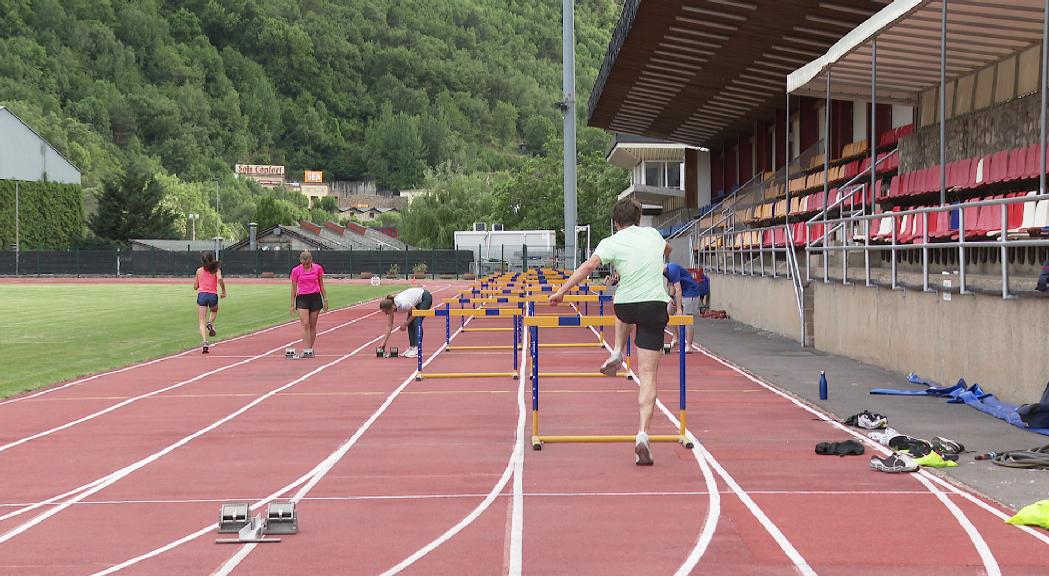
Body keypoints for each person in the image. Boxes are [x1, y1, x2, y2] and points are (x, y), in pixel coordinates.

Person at [550, 198, 671, 466]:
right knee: (648, 374)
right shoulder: (653, 234)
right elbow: (668, 248)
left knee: (625, 307)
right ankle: (642, 434)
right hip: (654, 303)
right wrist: (662, 261)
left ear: (616, 223)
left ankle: (617, 349)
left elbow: (588, 267)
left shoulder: (610, 242)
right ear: (638, 219)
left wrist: (561, 291)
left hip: (625, 306)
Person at [289, 250, 328, 359]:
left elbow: (321, 284)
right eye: (304, 263)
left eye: (308, 263)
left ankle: (309, 350)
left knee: (312, 325)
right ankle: (306, 349)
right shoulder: (296, 271)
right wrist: (292, 304)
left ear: (311, 260)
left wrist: (325, 299)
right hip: (302, 298)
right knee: (305, 324)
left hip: (315, 297)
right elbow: (293, 288)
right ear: (301, 261)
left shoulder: (318, 268)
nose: (306, 265)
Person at [379, 287, 433, 358]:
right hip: (415, 302)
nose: (386, 314)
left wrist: (405, 323)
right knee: (410, 322)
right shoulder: (391, 308)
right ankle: (412, 347)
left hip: (425, 297)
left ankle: (417, 349)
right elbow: (389, 326)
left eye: (386, 312)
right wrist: (384, 342)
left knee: (417, 321)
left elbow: (415, 313)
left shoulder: (403, 304)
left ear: (392, 307)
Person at [664, 263, 702, 353]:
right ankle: (676, 337)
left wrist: (679, 309)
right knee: (667, 313)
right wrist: (670, 298)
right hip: (681, 292)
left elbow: (678, 289)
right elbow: (671, 285)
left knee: (687, 318)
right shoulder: (665, 272)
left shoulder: (672, 270)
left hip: (690, 292)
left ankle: (689, 346)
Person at [194, 252, 226, 354]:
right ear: (212, 259)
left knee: (201, 320)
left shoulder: (199, 271)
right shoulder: (216, 270)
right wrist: (224, 291)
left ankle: (204, 342)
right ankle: (210, 322)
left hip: (202, 295)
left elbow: (195, 287)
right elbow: (220, 279)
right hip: (213, 295)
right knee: (214, 311)